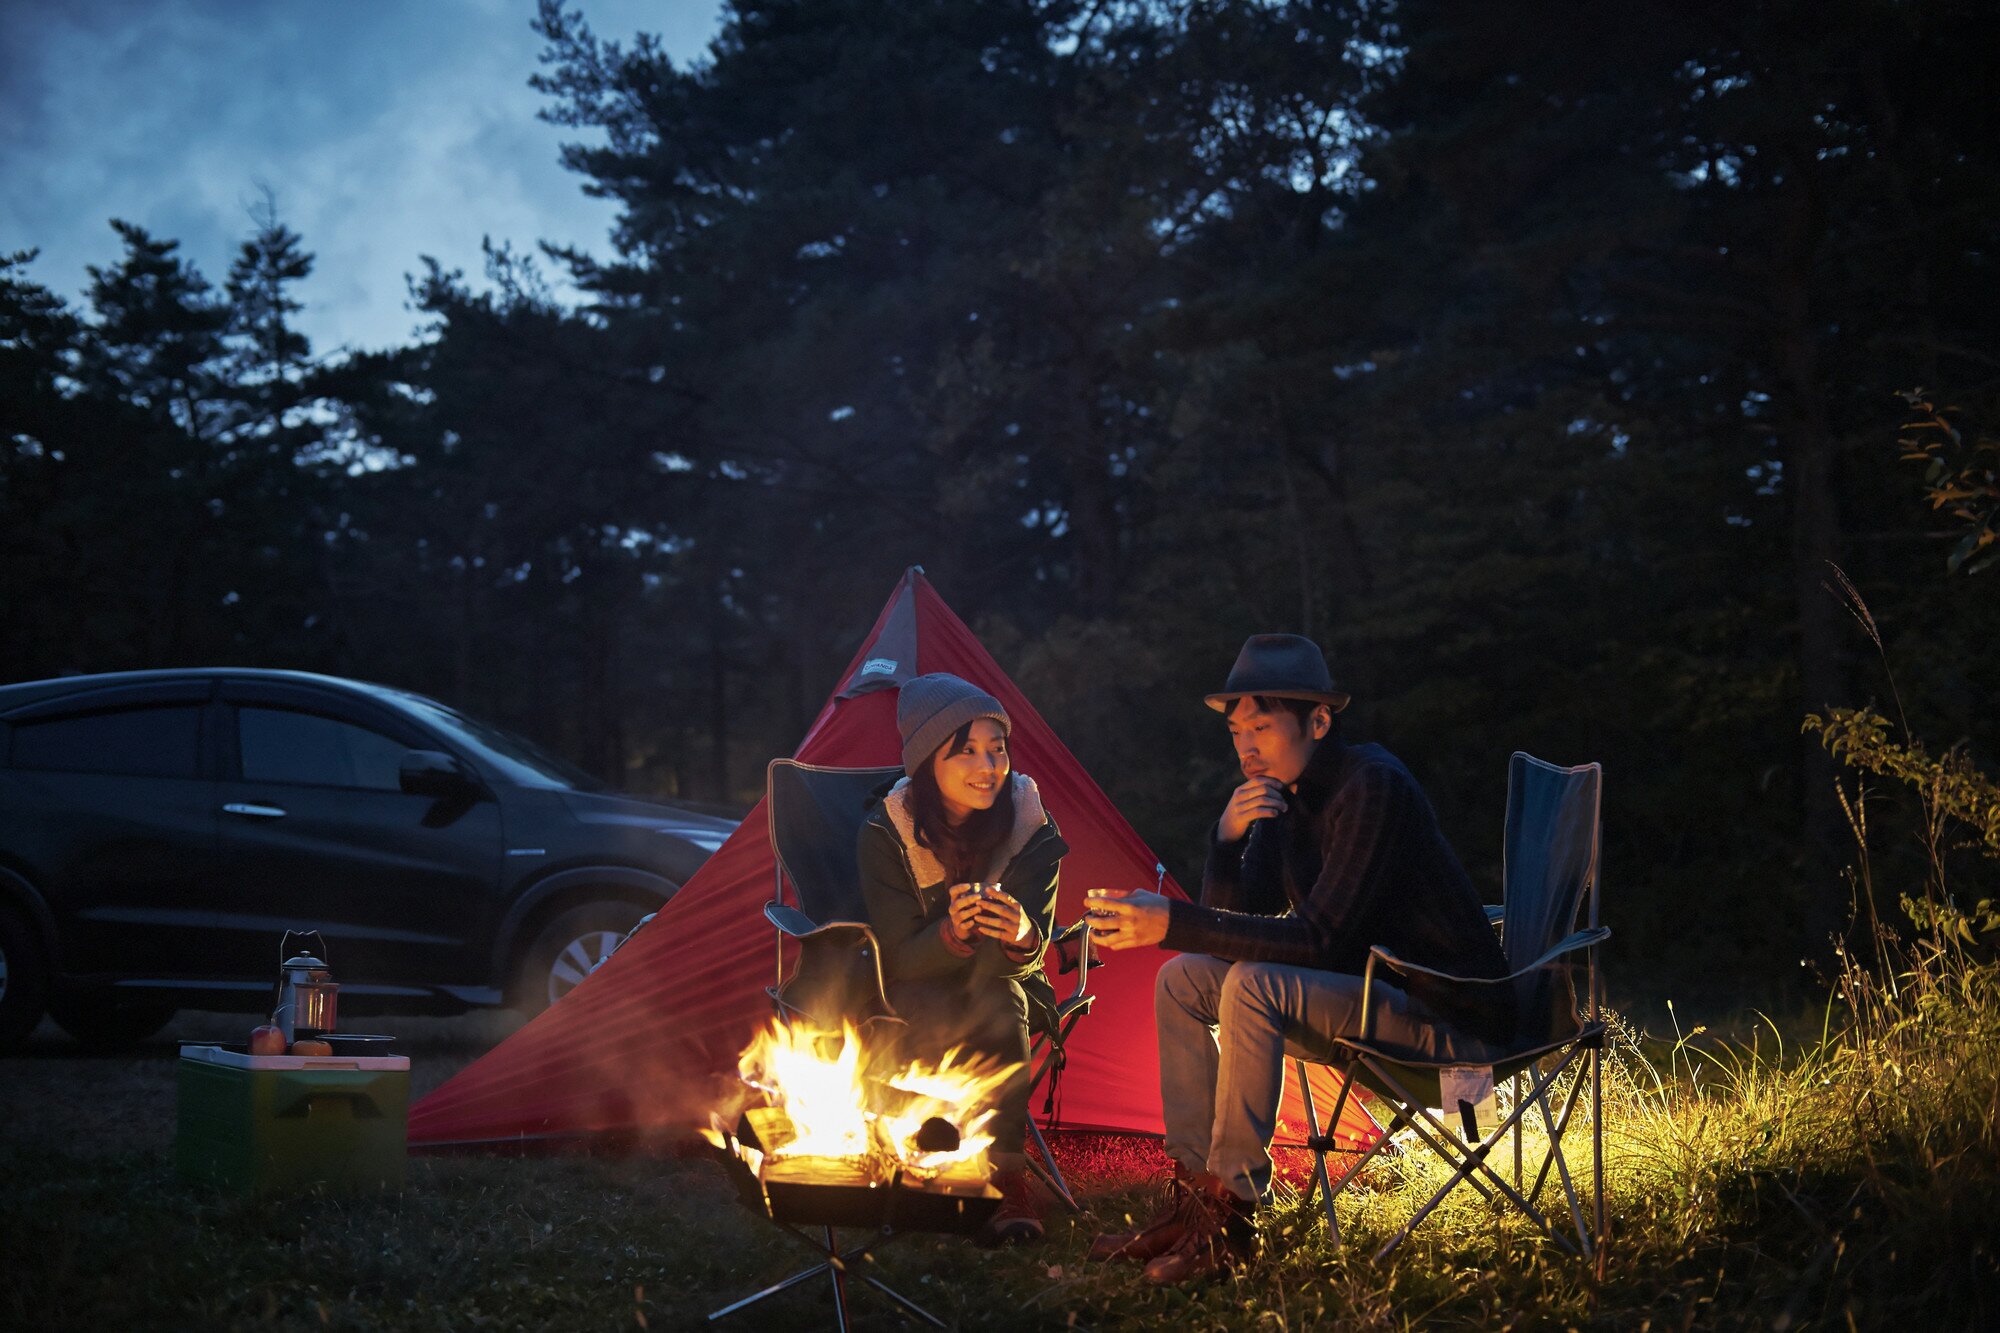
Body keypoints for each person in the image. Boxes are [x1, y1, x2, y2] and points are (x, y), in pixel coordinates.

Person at [1084, 634, 1515, 1283]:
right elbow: (1227, 931)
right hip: (1368, 999)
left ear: (1319, 720)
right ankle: (1195, 1201)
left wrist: (1172, 919)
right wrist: (1226, 843)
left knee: (1255, 985)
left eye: (1261, 725)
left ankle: (1231, 1224)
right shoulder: (1285, 799)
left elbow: (1319, 941)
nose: (1245, 744)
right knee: (1182, 978)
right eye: (1236, 730)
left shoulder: (1373, 787)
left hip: (1454, 1030)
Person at [858, 672, 1067, 1245]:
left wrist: (1024, 934)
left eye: (997, 749)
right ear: (929, 762)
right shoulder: (886, 833)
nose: (989, 767)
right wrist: (951, 934)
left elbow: (1035, 949)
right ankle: (931, 1162)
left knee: (999, 1000)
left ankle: (1004, 1174)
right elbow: (897, 957)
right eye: (967, 751)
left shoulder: (1029, 826)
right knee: (930, 1002)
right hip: (914, 982)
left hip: (1003, 983)